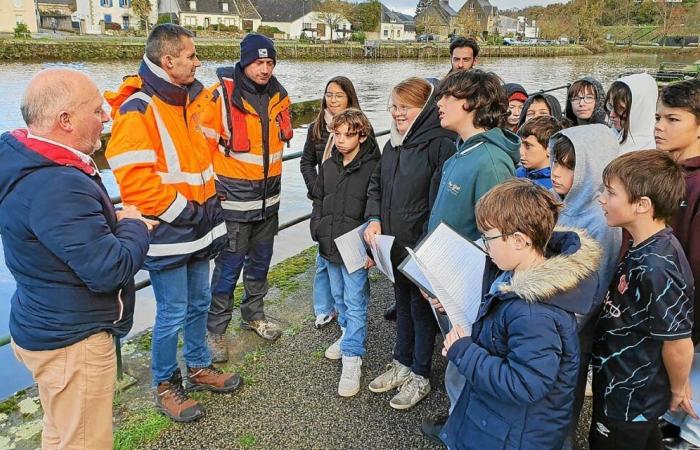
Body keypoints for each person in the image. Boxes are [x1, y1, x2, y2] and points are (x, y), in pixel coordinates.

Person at [0, 68, 152, 449]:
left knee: (61, 432)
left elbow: (59, 237)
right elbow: (109, 269)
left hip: (42, 322)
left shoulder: (23, 159)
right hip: (73, 341)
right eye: (97, 109)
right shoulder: (58, 182)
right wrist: (134, 225)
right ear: (65, 120)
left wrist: (104, 225)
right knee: (84, 441)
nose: (106, 117)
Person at [106, 24, 239, 423]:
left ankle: (197, 367)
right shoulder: (138, 109)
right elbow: (134, 181)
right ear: (169, 60)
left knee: (198, 302)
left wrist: (207, 207)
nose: (198, 62)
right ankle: (165, 384)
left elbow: (202, 159)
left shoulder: (191, 100)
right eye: (192, 56)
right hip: (169, 232)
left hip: (196, 227)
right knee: (172, 312)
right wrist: (187, 211)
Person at [439, 178, 601, 450]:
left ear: (519, 240)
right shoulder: (516, 272)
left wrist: (463, 351)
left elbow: (524, 384)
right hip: (502, 422)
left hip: (514, 436)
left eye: (488, 237)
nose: (484, 245)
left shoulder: (533, 315)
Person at [420, 69, 521, 442]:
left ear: (473, 104)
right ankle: (458, 421)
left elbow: (499, 239)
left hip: (465, 287)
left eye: (447, 96)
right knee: (456, 358)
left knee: (467, 360)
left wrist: (453, 283)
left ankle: (468, 433)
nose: (439, 103)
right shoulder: (465, 151)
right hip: (446, 281)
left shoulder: (491, 163)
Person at [591, 150, 695, 450]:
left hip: (630, 396)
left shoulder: (658, 266)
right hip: (618, 385)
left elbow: (677, 342)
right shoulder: (643, 245)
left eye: (610, 193)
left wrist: (677, 388)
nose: (601, 199)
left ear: (642, 205)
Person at [363, 76, 456, 409]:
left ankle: (421, 374)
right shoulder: (393, 143)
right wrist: (374, 218)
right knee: (402, 305)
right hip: (393, 247)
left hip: (421, 249)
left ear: (425, 108)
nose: (398, 114)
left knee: (421, 312)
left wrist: (427, 251)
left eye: (406, 108)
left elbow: (438, 205)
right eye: (394, 107)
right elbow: (376, 184)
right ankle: (401, 361)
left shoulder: (440, 144)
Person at [202, 33, 294, 356]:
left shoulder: (280, 97)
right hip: (234, 207)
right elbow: (200, 151)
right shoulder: (220, 97)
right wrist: (212, 197)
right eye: (259, 62)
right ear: (245, 62)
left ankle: (254, 315)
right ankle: (215, 331)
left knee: (260, 266)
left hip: (269, 205)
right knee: (227, 271)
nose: (265, 69)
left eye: (270, 63)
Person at [548, 125, 622, 449]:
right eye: (554, 162)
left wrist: (554, 331)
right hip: (552, 324)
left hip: (572, 334)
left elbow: (593, 293)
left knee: (562, 406)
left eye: (569, 165)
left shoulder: (600, 222)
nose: (556, 172)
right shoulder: (562, 202)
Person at [310, 108, 379, 397]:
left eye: (347, 135)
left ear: (362, 135)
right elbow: (318, 200)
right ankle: (346, 334)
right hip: (329, 245)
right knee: (339, 297)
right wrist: (317, 228)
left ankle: (353, 356)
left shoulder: (373, 166)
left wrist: (372, 249)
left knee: (355, 300)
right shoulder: (328, 166)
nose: (340, 140)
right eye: (336, 134)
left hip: (354, 248)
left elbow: (376, 205)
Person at [655, 80, 700, 450]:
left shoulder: (697, 185)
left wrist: (685, 332)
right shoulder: (662, 171)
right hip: (658, 312)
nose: (659, 126)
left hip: (684, 319)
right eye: (657, 117)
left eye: (672, 119)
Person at [300, 76, 361, 329]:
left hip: (348, 205)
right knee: (322, 257)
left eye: (338, 95)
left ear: (349, 98)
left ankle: (347, 313)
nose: (332, 100)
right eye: (328, 95)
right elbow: (305, 161)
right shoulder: (317, 128)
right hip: (322, 201)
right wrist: (316, 187)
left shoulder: (358, 126)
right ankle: (324, 307)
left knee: (345, 263)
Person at [605, 72, 658, 154]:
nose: (611, 115)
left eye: (621, 109)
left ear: (640, 108)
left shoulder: (654, 150)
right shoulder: (609, 135)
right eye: (611, 107)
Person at [515, 115, 563, 188]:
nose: (520, 152)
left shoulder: (555, 185)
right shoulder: (518, 173)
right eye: (520, 144)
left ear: (550, 149)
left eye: (528, 146)